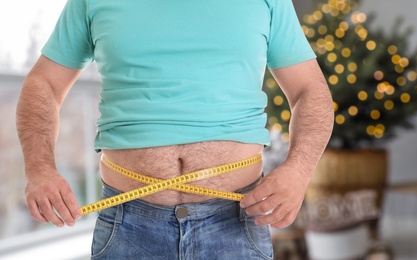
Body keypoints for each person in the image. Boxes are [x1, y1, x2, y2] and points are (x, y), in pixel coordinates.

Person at [16, 0, 334, 259]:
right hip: (128, 226)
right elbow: (43, 82)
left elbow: (310, 90)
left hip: (235, 224)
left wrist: (298, 170)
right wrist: (39, 168)